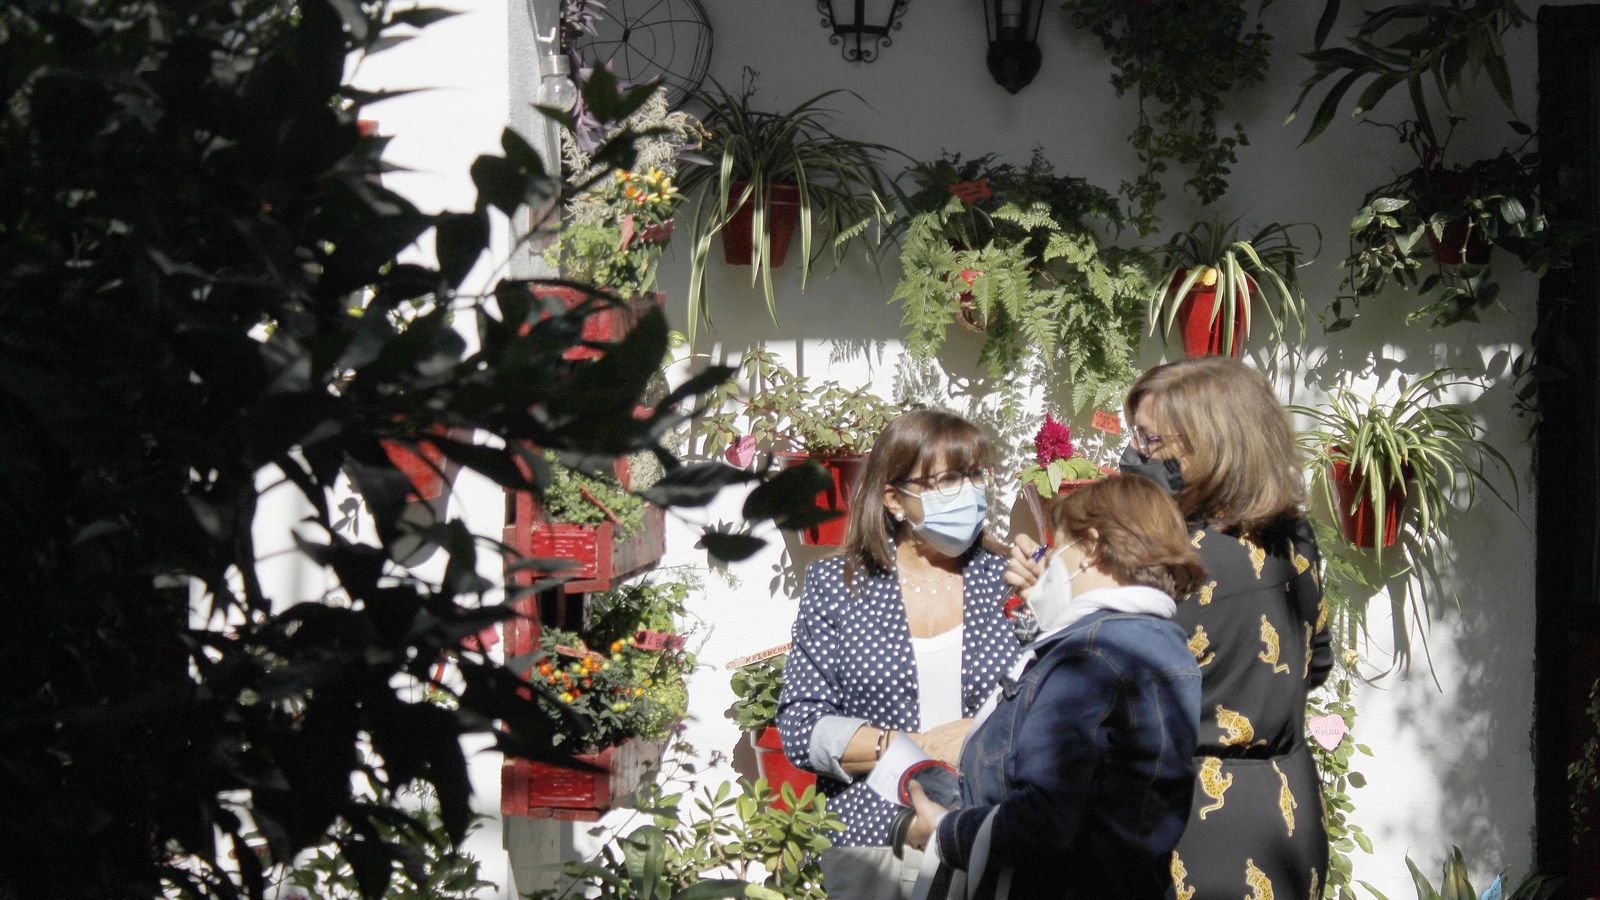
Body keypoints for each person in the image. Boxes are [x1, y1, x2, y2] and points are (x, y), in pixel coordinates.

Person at [1012, 357, 1332, 899]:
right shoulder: (1292, 538)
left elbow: (1097, 696)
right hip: (1284, 812)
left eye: (1152, 440)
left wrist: (1056, 606)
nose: (1133, 454)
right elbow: (1314, 662)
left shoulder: (1175, 560)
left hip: (1190, 827)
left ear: (1212, 444)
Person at [903, 474, 1206, 899]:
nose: (1050, 563)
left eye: (1056, 547)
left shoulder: (1090, 658)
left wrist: (944, 832)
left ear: (1093, 548)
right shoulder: (1159, 645)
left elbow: (1044, 818)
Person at [776, 408, 1020, 851]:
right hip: (878, 832)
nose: (966, 493)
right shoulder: (838, 585)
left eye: (974, 476)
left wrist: (979, 736)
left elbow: (1058, 705)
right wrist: (913, 747)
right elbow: (801, 724)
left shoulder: (1010, 581)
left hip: (999, 831)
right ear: (894, 499)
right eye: (947, 481)